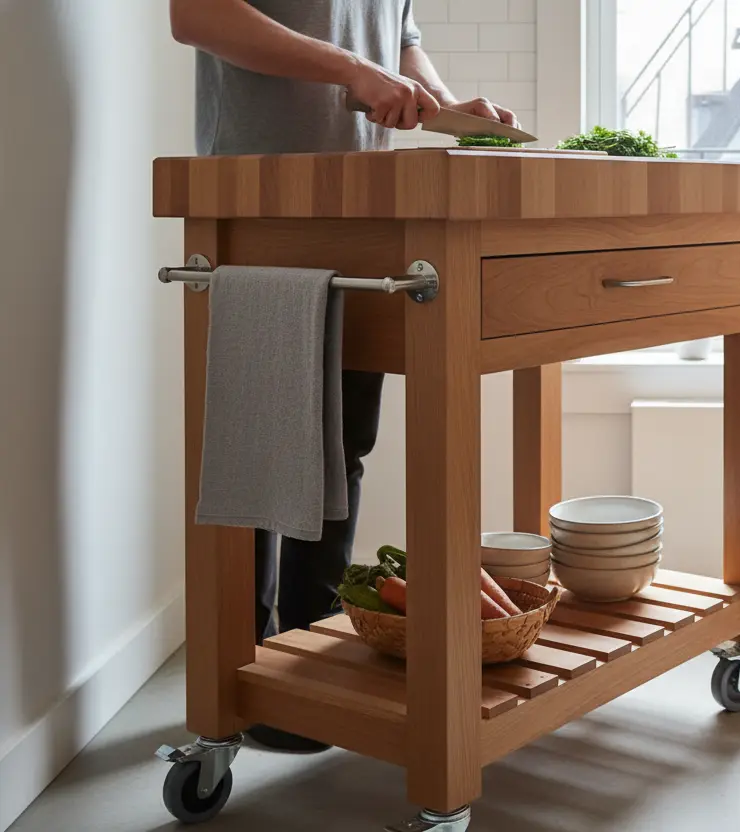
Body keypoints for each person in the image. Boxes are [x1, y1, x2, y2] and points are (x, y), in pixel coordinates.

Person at [169, 0, 519, 752]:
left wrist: (443, 105)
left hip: (362, 198)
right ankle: (248, 671)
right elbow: (197, 16)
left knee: (340, 444)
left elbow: (400, 41)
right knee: (258, 442)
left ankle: (309, 663)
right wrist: (355, 72)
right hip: (258, 199)